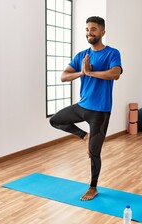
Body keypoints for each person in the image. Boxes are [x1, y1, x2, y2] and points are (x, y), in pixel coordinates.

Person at [49, 16, 123, 201]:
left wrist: (91, 73)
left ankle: (93, 187)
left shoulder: (112, 53)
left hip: (100, 111)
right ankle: (84, 135)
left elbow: (115, 74)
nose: (89, 32)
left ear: (103, 32)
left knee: (94, 153)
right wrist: (82, 72)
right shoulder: (81, 55)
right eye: (87, 29)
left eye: (94, 29)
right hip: (82, 106)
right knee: (55, 120)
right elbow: (63, 76)